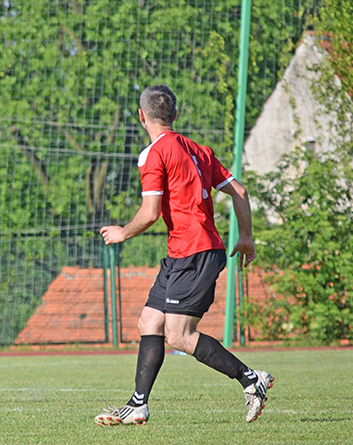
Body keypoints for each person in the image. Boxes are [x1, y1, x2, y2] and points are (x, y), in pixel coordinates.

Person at [96, 84, 273, 425]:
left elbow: (149, 213)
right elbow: (240, 191)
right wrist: (246, 237)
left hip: (194, 252)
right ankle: (138, 404)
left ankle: (251, 379)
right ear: (175, 116)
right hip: (184, 252)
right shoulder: (200, 151)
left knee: (179, 335)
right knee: (150, 320)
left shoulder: (153, 153)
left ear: (141, 116)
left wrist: (122, 232)